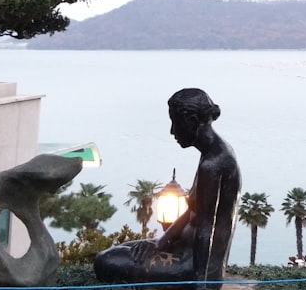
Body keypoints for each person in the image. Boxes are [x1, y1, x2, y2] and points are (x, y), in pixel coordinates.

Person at [94, 88, 241, 288]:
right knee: (125, 249)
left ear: (191, 120)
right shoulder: (214, 153)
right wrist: (160, 242)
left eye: (175, 122)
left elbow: (207, 227)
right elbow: (193, 211)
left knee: (105, 261)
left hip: (193, 267)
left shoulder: (213, 164)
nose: (172, 131)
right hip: (185, 252)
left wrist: (200, 284)